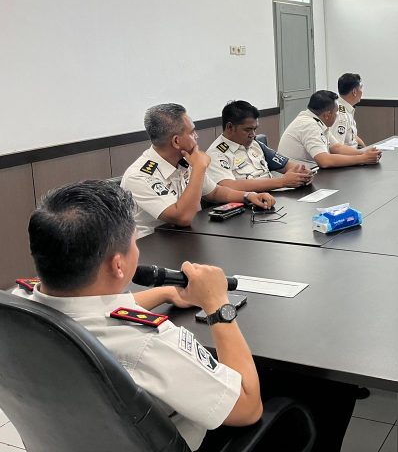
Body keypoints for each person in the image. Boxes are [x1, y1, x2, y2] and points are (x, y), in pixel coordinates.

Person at [22, 180, 357, 451]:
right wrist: (217, 305)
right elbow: (248, 408)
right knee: (329, 387)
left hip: (81, 435)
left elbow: (90, 311)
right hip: (182, 438)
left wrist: (166, 293)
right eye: (134, 242)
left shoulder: (20, 303)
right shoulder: (148, 343)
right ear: (119, 265)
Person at [121, 104, 276, 238]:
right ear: (176, 141)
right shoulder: (139, 176)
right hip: (154, 249)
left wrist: (248, 196)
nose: (197, 136)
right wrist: (199, 168)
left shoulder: (185, 160)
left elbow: (215, 192)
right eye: (192, 132)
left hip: (189, 238)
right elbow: (183, 217)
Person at [206, 100, 313, 192]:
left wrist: (301, 173)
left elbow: (287, 165)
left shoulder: (255, 144)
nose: (253, 134)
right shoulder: (216, 154)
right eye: (247, 130)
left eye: (255, 129)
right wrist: (282, 182)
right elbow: (228, 186)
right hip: (247, 203)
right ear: (230, 127)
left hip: (273, 197)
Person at [277, 90, 382, 169]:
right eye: (336, 112)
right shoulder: (309, 125)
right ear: (327, 115)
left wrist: (364, 153)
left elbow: (337, 147)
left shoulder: (315, 120)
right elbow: (324, 161)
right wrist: (362, 159)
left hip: (309, 173)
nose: (337, 116)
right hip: (294, 179)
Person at [328, 73, 365, 148]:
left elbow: (352, 136)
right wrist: (363, 153)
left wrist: (366, 148)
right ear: (354, 92)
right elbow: (337, 148)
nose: (362, 92)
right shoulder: (340, 114)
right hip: (349, 154)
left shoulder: (346, 108)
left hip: (355, 151)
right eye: (361, 88)